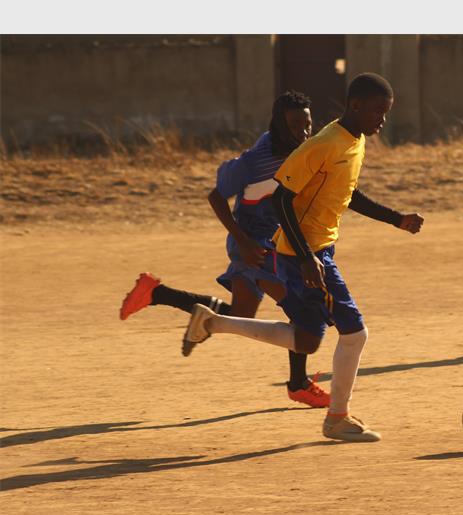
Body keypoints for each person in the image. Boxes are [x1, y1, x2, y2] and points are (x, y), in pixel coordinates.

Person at [181, 73, 424, 443]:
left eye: (386, 112)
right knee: (355, 334)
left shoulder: (354, 142)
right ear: (355, 105)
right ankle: (337, 419)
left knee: (308, 340)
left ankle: (214, 323)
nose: (383, 120)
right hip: (306, 255)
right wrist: (309, 258)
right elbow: (281, 199)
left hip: (310, 252)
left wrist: (397, 219)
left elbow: (348, 194)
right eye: (378, 111)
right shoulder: (323, 144)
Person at [119, 90, 331, 408]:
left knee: (240, 316)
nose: (302, 133)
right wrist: (243, 242)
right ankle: (298, 384)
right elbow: (215, 197)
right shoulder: (253, 162)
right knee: (301, 308)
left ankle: (156, 293)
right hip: (254, 245)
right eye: (294, 125)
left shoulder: (305, 153)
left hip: (277, 242)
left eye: (307, 125)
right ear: (278, 124)